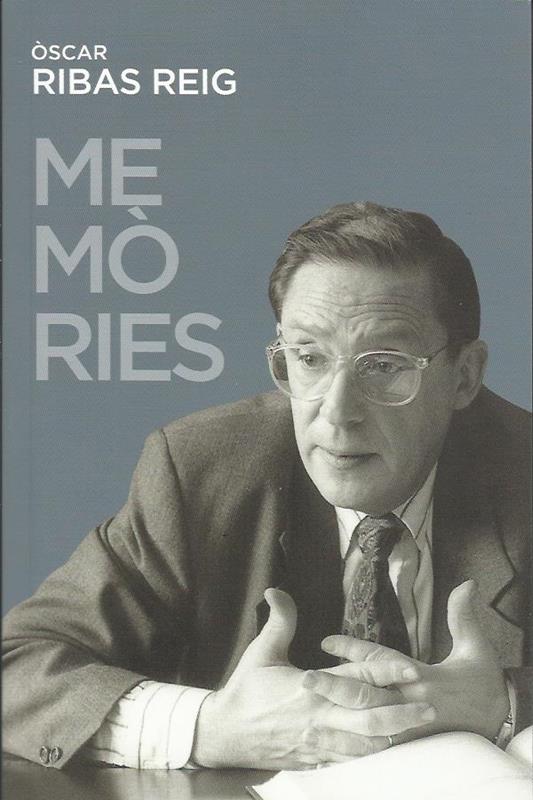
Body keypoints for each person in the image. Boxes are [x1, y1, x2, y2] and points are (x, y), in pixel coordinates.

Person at [3, 202, 531, 771]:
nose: (337, 412)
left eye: (383, 365)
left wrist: (503, 705)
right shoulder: (202, 470)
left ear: (464, 377)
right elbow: (18, 666)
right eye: (309, 358)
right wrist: (211, 726)